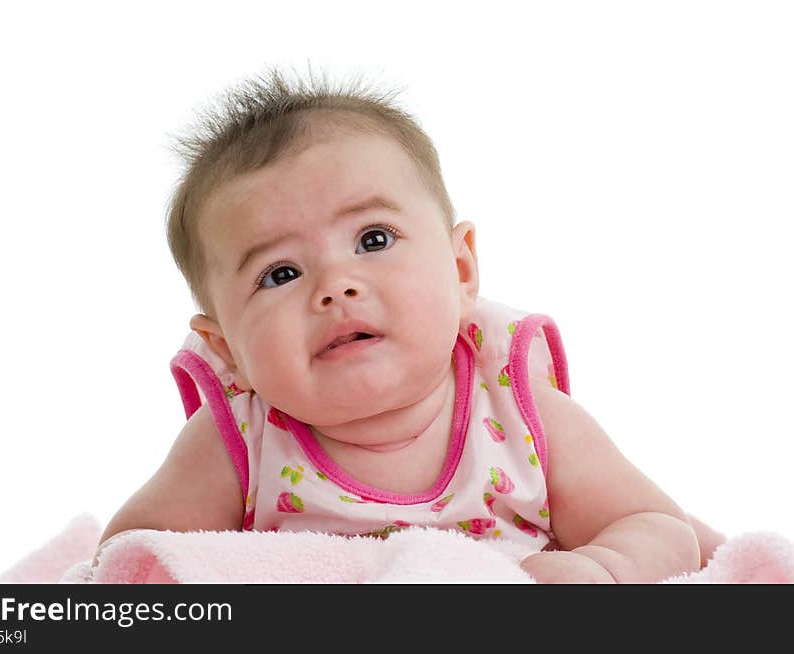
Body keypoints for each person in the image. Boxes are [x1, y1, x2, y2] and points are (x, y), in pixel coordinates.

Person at [96, 67, 725, 582]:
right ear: (226, 348)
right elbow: (131, 563)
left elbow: (660, 528)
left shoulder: (515, 410)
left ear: (460, 268)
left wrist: (596, 570)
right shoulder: (240, 440)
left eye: (373, 238)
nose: (335, 286)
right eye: (281, 274)